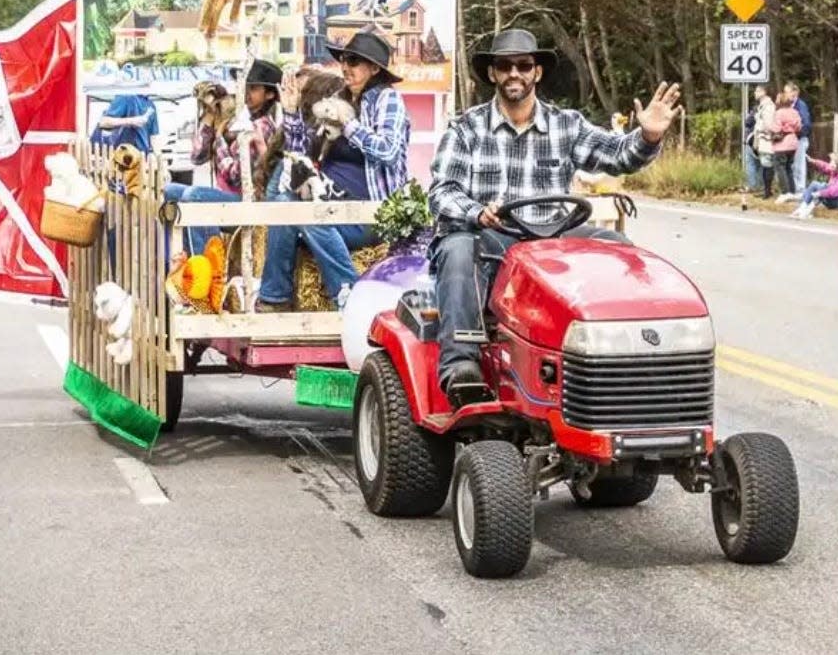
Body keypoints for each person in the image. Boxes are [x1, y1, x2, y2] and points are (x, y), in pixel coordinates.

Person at [427, 28, 682, 408]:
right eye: (505, 66)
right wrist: (477, 212)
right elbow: (442, 191)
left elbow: (617, 155)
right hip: (492, 237)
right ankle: (460, 365)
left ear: (537, 72)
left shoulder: (567, 125)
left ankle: (627, 360)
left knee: (619, 249)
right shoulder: (466, 129)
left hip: (550, 242)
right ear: (493, 73)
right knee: (457, 247)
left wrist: (646, 137)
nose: (515, 73)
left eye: (523, 65)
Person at [255, 30, 409, 311]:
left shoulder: (387, 100)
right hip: (328, 201)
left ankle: (352, 301)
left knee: (310, 213)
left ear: (374, 69)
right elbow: (301, 153)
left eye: (354, 61)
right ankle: (274, 298)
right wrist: (291, 113)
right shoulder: (338, 98)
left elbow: (388, 151)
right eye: (343, 60)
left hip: (370, 213)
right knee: (283, 204)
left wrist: (348, 125)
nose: (345, 67)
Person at [164, 58, 283, 255]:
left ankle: (209, 266)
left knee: (195, 196)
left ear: (269, 94)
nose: (246, 93)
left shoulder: (262, 126)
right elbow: (197, 157)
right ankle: (187, 260)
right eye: (244, 87)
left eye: (253, 88)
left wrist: (219, 139)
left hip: (249, 201)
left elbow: (235, 175)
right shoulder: (239, 119)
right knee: (170, 191)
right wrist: (210, 117)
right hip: (230, 196)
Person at [90, 93, 159, 153]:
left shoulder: (151, 105)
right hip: (122, 156)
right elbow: (104, 122)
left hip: (141, 158)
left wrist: (159, 159)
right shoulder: (125, 96)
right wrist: (132, 121)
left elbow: (154, 138)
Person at [771, 92, 801, 200]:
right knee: (789, 168)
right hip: (793, 142)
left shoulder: (779, 113)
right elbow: (798, 127)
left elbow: (776, 128)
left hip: (782, 144)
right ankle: (792, 191)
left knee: (780, 167)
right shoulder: (795, 112)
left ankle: (785, 192)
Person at [791, 153, 838, 219]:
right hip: (829, 199)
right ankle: (802, 208)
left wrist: (819, 193)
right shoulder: (834, 171)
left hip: (835, 202)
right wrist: (814, 161)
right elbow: (825, 165)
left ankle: (806, 210)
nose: (830, 165)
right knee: (816, 185)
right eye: (830, 162)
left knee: (823, 188)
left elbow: (833, 192)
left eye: (832, 164)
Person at [784, 81, 812, 192]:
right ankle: (794, 188)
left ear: (795, 92)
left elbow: (806, 124)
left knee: (799, 165)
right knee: (793, 165)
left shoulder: (800, 105)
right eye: (785, 92)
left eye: (788, 92)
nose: (786, 94)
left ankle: (800, 189)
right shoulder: (790, 105)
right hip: (792, 140)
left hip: (800, 139)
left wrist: (797, 135)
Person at [751, 85, 776, 199]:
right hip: (761, 137)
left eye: (758, 90)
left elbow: (768, 124)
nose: (755, 93)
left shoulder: (768, 106)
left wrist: (764, 133)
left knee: (767, 164)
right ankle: (766, 189)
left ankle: (768, 191)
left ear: (764, 92)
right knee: (764, 164)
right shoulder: (762, 106)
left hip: (766, 138)